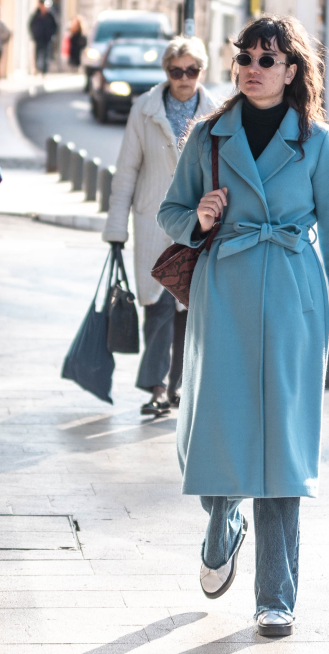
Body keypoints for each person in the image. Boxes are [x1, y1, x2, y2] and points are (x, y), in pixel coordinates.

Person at [157, 15, 329, 638]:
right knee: (220, 433)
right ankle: (222, 519)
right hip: (223, 294)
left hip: (292, 300)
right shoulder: (209, 137)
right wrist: (196, 215)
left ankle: (275, 596)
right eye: (244, 56)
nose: (253, 68)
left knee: (281, 449)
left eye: (267, 59)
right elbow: (171, 212)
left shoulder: (316, 141)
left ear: (293, 70)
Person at [102, 37, 218, 416]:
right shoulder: (145, 108)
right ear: (166, 72)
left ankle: (180, 385)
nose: (184, 78)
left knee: (189, 305)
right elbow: (127, 170)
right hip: (153, 216)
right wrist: (116, 228)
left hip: (197, 221)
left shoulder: (217, 111)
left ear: (203, 71)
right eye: (176, 71)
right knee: (156, 303)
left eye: (192, 70)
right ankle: (156, 387)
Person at [29, 0, 58, 75]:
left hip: (46, 39)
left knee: (46, 55)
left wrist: (51, 34)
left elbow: (55, 26)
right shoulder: (36, 15)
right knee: (37, 55)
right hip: (38, 38)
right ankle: (37, 69)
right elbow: (31, 25)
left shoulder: (50, 15)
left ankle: (44, 71)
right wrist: (34, 34)